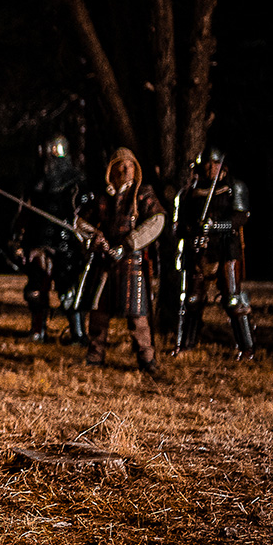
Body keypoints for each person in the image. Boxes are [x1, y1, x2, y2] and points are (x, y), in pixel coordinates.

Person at [77, 147, 166, 375]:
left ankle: (147, 359)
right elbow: (80, 223)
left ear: (136, 169)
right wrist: (94, 237)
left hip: (132, 262)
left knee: (137, 314)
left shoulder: (143, 194)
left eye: (130, 165)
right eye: (121, 165)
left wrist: (128, 245)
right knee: (98, 312)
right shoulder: (102, 196)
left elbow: (156, 221)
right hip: (104, 262)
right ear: (112, 169)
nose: (126, 169)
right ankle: (95, 356)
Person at [164, 148, 255, 357]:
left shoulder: (233, 188)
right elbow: (178, 226)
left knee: (233, 300)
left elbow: (240, 217)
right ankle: (185, 345)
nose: (210, 168)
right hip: (198, 251)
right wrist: (193, 230)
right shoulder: (188, 193)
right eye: (206, 164)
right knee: (191, 300)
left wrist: (216, 226)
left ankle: (246, 348)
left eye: (214, 164)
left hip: (226, 249)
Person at [6, 134, 87, 343]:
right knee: (35, 290)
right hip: (38, 241)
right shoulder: (36, 182)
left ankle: (78, 334)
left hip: (65, 242)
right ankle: (38, 331)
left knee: (68, 291)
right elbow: (25, 212)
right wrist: (18, 238)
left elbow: (83, 210)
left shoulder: (74, 181)